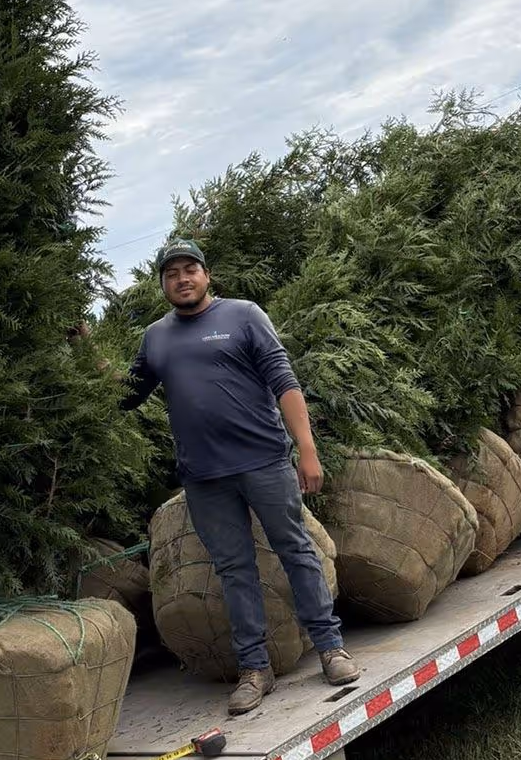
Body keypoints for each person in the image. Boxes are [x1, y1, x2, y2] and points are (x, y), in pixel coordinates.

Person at [122, 240, 360, 714]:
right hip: (204, 477)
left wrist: (307, 451)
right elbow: (126, 394)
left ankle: (331, 649)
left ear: (207, 276)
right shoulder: (156, 338)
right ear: (163, 285)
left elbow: (283, 381)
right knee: (234, 571)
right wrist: (86, 354)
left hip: (265, 462)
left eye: (190, 270)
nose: (182, 279)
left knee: (294, 549)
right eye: (172, 274)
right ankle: (255, 669)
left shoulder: (244, 315)